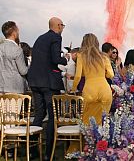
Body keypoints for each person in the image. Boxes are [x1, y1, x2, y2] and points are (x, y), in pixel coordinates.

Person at [27, 17, 68, 160]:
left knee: (39, 114)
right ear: (58, 26)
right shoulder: (56, 37)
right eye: (62, 25)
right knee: (52, 116)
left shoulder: (40, 38)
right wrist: (66, 58)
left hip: (34, 81)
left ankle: (31, 150)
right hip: (48, 82)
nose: (63, 28)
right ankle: (48, 153)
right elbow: (56, 59)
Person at [71, 33, 114, 124]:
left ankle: (88, 138)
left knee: (88, 121)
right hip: (105, 89)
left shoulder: (81, 56)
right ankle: (101, 138)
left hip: (90, 89)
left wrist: (74, 88)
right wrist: (103, 74)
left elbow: (78, 76)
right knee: (103, 122)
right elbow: (111, 74)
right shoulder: (104, 56)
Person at [0, 21, 28, 93]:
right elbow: (23, 71)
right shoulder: (17, 49)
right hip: (15, 89)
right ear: (14, 33)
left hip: (1, 87)